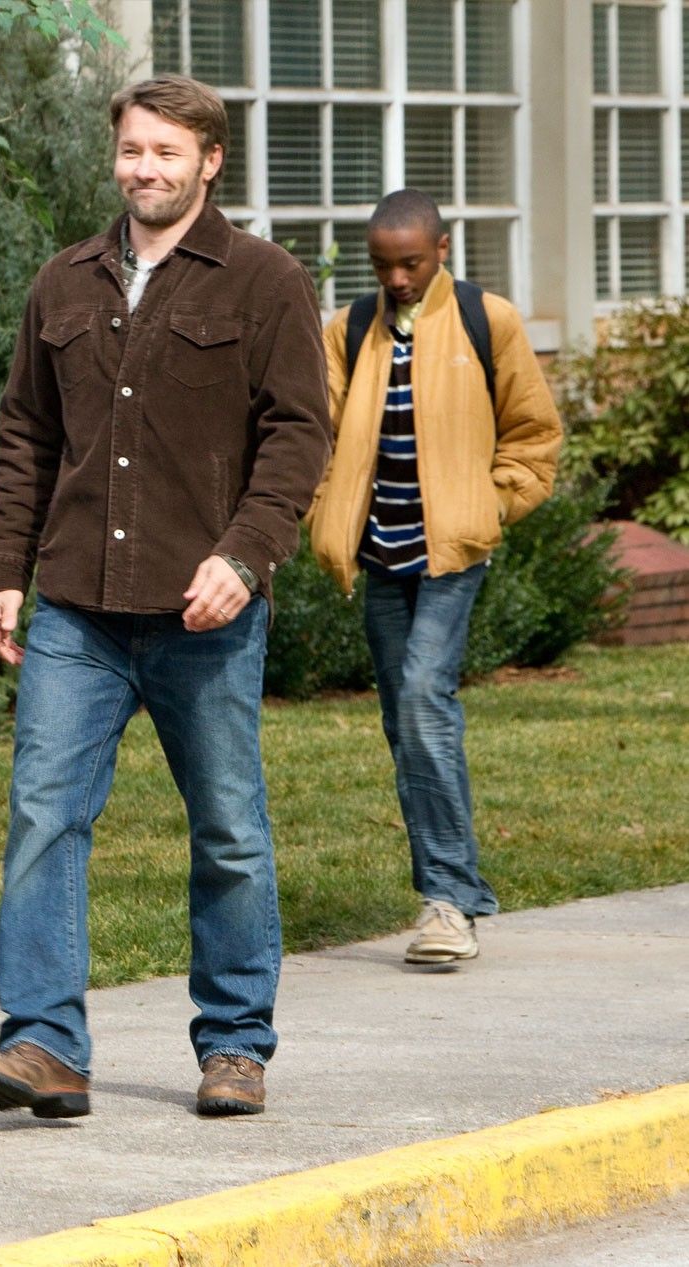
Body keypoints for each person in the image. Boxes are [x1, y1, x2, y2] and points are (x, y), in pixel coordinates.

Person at [0, 74, 332, 1120]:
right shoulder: (63, 282)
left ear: (210, 162)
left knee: (227, 828)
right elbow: (26, 435)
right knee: (42, 817)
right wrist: (3, 569)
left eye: (167, 153)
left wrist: (245, 556)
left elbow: (298, 436)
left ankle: (234, 1045)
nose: (145, 170)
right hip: (76, 603)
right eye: (131, 150)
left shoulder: (264, 282)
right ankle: (43, 1046)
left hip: (202, 609)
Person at [305, 190, 561, 967]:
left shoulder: (490, 322)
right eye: (383, 264)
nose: (398, 277)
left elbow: (534, 433)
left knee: (422, 698)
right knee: (406, 722)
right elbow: (313, 432)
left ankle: (451, 901)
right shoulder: (349, 329)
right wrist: (324, 512)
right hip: (380, 557)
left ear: (441, 249)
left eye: (410, 261)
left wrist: (489, 507)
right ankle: (447, 893)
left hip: (453, 554)